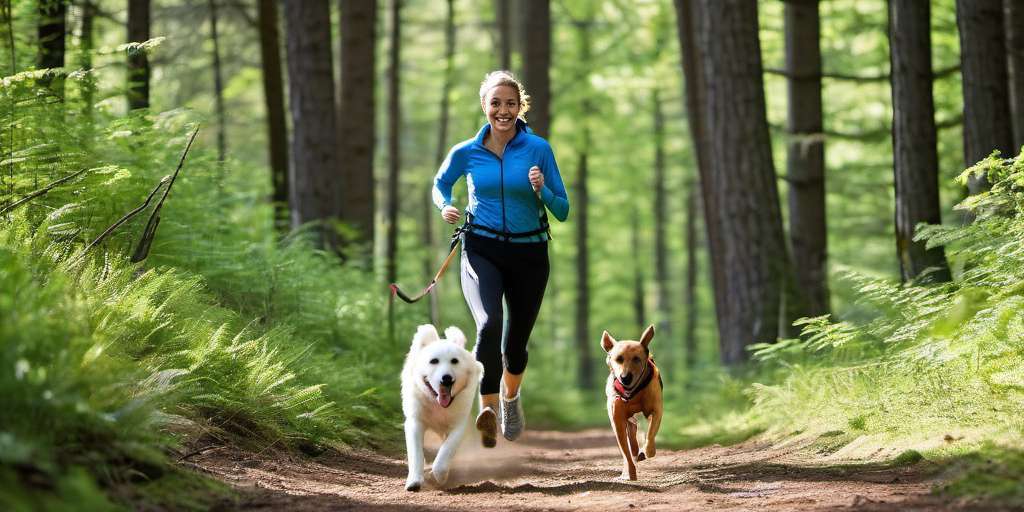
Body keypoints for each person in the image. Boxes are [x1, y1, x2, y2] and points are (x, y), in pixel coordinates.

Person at [431, 70, 569, 448]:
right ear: (484, 106)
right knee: (489, 323)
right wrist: (446, 205)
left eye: (510, 103)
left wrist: (542, 191)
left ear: (520, 106)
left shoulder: (538, 148)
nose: (503, 110)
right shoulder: (466, 151)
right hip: (482, 247)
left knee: (515, 346)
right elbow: (440, 184)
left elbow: (564, 210)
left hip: (530, 253)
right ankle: (486, 408)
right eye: (495, 103)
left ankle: (510, 399)